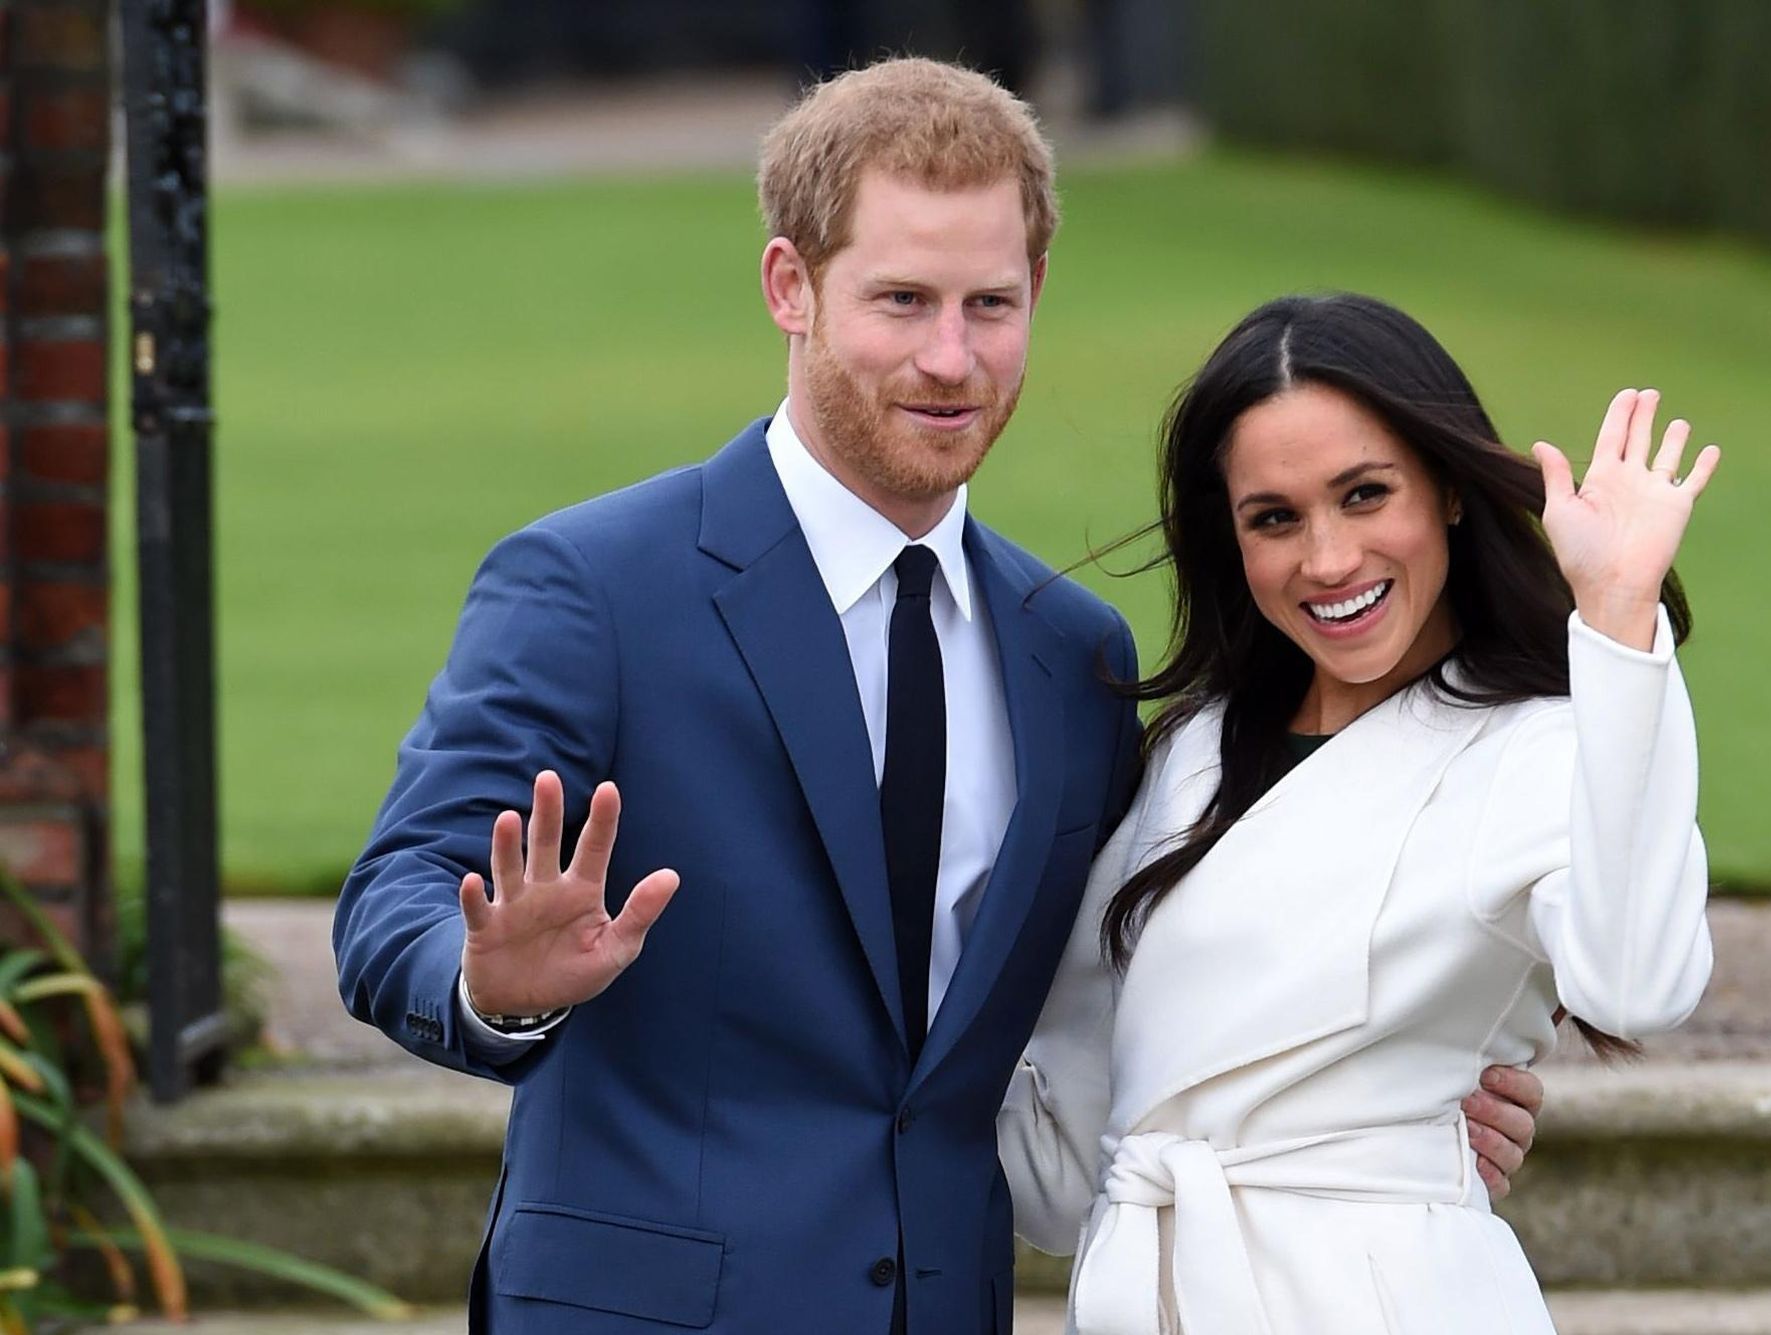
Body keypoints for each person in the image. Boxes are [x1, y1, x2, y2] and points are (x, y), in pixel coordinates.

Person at [331, 63, 1543, 1335]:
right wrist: (491, 987)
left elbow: (1140, 980)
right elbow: (395, 895)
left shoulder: (1071, 656)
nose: (950, 358)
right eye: (901, 300)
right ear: (789, 286)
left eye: (990, 304)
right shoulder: (593, 586)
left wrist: (1370, 1090)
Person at [999, 294, 1718, 1333]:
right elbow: (1063, 1168)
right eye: (1274, 518)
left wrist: (1613, 615)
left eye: (1364, 494)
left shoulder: (1542, 744)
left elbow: (1640, 983)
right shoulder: (1191, 753)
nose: (1327, 560)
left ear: (1448, 491)